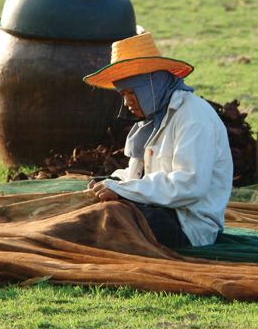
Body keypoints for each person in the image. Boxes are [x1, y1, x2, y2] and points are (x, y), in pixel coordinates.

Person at [83, 32, 233, 247]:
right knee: (94, 202)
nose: (127, 103)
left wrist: (123, 191)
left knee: (111, 218)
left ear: (150, 86)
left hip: (188, 225)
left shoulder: (193, 117)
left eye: (131, 92)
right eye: (123, 94)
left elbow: (189, 186)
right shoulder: (154, 118)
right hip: (160, 208)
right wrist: (113, 183)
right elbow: (142, 176)